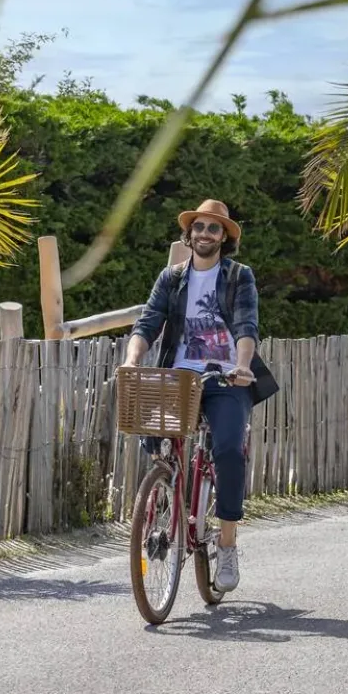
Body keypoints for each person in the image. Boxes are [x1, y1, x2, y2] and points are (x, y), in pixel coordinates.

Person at [124, 199, 260, 593]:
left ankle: (228, 543)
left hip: (226, 377)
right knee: (155, 436)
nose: (204, 234)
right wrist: (134, 361)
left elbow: (246, 324)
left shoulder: (238, 276)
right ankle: (164, 494)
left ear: (224, 237)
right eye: (198, 227)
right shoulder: (172, 278)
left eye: (213, 229)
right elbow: (147, 323)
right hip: (180, 374)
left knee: (230, 451)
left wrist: (244, 365)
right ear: (189, 234)